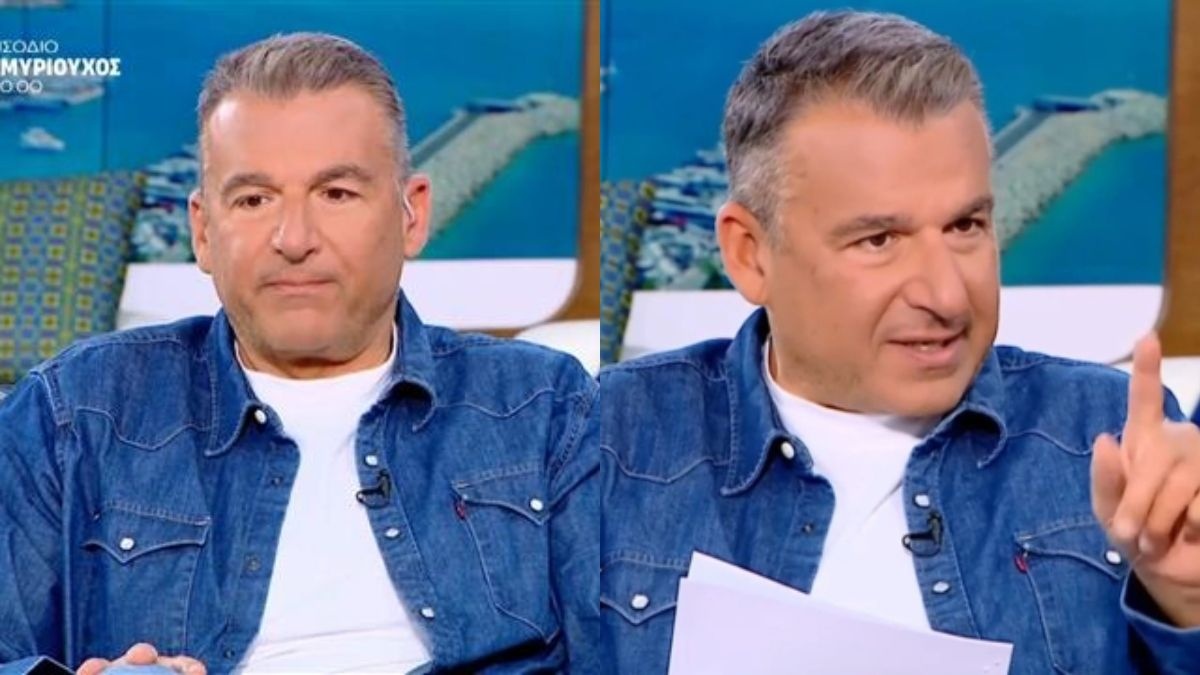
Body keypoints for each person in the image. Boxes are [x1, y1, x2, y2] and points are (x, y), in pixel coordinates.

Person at [599, 11, 1200, 674]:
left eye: (966, 226)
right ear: (750, 254)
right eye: (879, 240)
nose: (946, 295)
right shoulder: (611, 441)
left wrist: (1185, 603)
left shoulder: (1110, 436)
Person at [0, 33, 598, 674]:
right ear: (203, 231)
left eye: (335, 193)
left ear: (412, 215)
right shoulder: (75, 413)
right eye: (254, 200)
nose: (294, 238)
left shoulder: (545, 409)